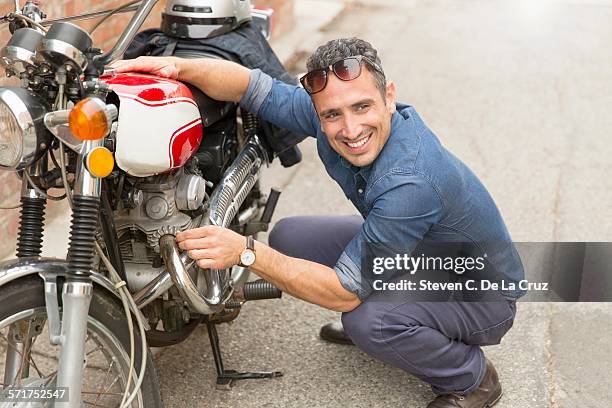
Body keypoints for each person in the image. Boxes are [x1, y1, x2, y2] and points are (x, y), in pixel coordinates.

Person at [112, 37, 525, 408]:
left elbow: (343, 295)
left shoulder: (411, 180)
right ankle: (398, 317)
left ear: (389, 97)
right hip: (418, 253)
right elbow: (248, 85)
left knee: (365, 318)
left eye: (362, 107)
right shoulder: (331, 115)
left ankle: (469, 378)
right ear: (319, 112)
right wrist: (177, 69)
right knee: (292, 235)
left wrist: (245, 251)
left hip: (480, 293)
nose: (350, 129)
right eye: (333, 114)